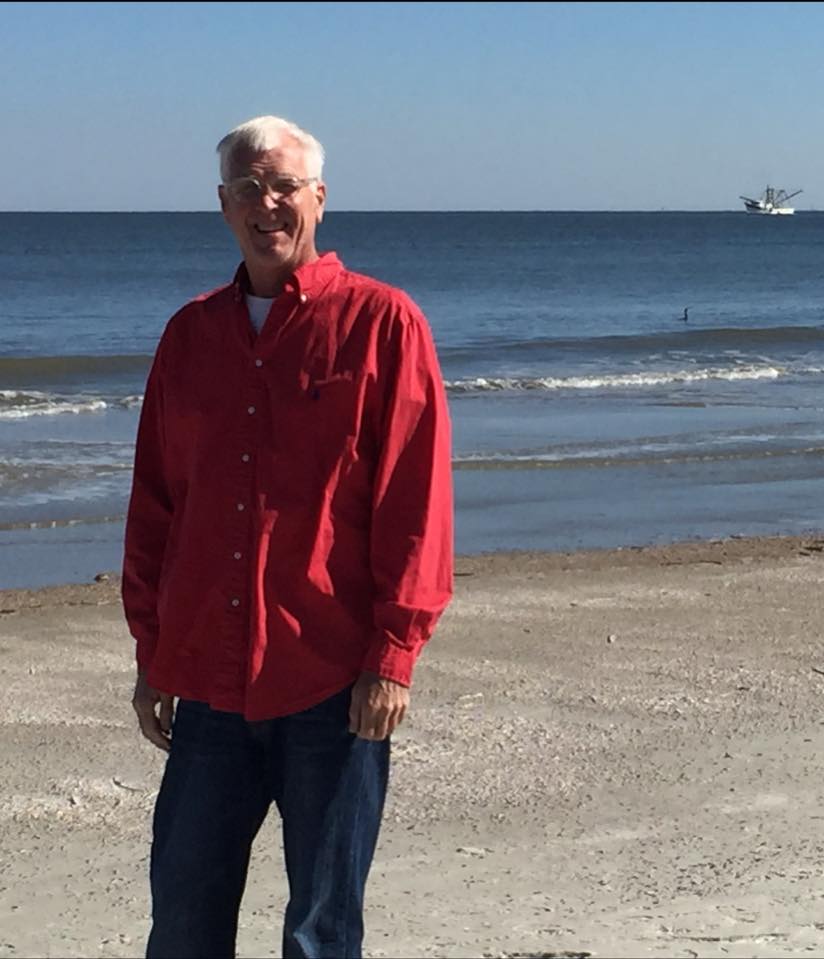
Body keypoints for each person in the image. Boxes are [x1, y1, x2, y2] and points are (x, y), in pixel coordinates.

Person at [122, 114, 454, 959]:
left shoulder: (383, 323)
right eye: (247, 188)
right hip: (208, 683)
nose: (265, 203)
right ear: (223, 205)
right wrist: (152, 651)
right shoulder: (189, 335)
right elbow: (156, 504)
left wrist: (394, 655)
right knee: (183, 924)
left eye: (283, 186)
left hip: (330, 684)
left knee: (319, 931)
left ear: (319, 198)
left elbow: (415, 504)